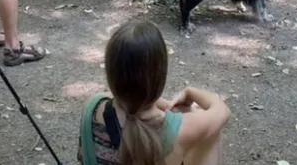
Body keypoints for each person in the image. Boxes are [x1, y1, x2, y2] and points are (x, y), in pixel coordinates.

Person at [79, 19, 231, 165]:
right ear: (160, 74)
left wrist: (164, 105)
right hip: (173, 126)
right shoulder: (183, 130)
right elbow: (222, 110)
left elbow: (118, 98)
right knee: (211, 134)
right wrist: (189, 92)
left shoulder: (91, 106)